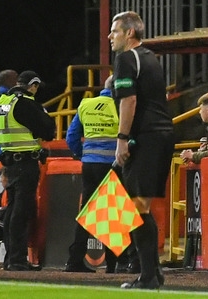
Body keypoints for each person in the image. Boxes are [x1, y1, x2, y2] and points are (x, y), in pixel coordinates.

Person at [110, 10, 174, 290]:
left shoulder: (126, 58)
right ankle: (153, 273)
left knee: (136, 207)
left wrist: (122, 138)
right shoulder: (150, 58)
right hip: (161, 136)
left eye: (114, 32)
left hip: (146, 138)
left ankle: (148, 275)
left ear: (129, 33)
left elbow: (129, 101)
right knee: (140, 205)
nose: (110, 37)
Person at [0, 69, 52, 271]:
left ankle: (11, 258)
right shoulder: (24, 103)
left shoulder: (0, 103)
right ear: (32, 85)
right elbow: (47, 129)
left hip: (9, 160)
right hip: (25, 162)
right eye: (36, 87)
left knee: (12, 209)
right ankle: (17, 259)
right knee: (20, 211)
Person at [63, 80, 121, 272]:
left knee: (87, 213)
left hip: (90, 165)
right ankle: (115, 263)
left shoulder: (85, 105)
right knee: (113, 213)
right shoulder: (122, 106)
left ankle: (75, 260)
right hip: (114, 166)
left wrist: (83, 154)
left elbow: (71, 136)